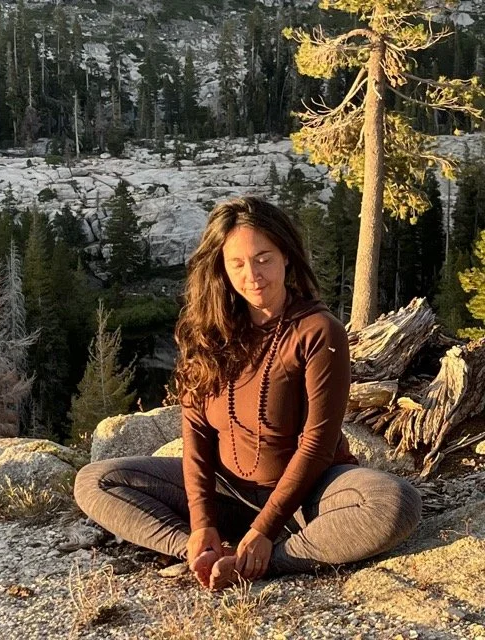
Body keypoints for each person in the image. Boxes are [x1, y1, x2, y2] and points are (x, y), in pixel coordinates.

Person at [74, 196, 422, 590]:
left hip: (309, 496)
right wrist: (201, 524)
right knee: (95, 481)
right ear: (221, 267)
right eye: (237, 263)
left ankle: (262, 559)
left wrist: (264, 529)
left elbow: (318, 445)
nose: (252, 275)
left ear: (286, 256)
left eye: (263, 258)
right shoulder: (208, 332)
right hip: (228, 494)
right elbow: (197, 436)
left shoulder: (318, 331)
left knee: (394, 502)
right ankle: (202, 554)